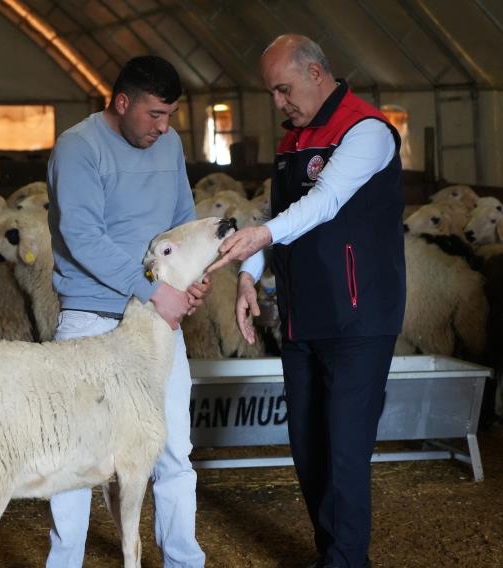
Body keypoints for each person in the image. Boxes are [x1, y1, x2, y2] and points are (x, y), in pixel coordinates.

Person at [207, 35, 406, 568]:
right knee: (309, 449)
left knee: (344, 452)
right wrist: (251, 275)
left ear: (316, 74)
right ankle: (332, 555)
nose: (278, 103)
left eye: (283, 89)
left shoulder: (366, 130)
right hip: (302, 316)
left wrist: (262, 240)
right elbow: (277, 215)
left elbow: (324, 202)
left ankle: (345, 562)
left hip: (357, 317)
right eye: (272, 92)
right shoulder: (294, 140)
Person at [45, 55, 208, 568]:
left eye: (170, 116)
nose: (164, 127)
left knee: (172, 449)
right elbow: (83, 236)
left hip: (158, 323)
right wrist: (155, 291)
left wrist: (192, 278)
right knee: (77, 452)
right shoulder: (79, 147)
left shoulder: (171, 145)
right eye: (154, 115)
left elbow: (183, 221)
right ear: (122, 102)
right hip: (93, 318)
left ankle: (183, 561)